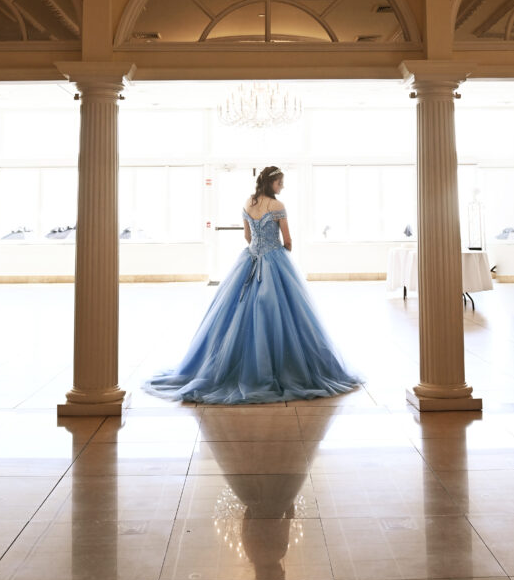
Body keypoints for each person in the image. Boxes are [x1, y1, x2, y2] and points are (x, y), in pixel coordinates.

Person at [143, 165, 361, 404]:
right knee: (282, 315)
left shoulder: (248, 203)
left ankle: (232, 369)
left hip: (249, 259)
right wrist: (282, 256)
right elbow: (287, 240)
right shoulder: (277, 206)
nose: (283, 186)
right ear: (271, 183)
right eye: (280, 183)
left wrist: (258, 248)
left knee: (236, 314)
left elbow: (247, 237)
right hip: (274, 260)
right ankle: (280, 370)